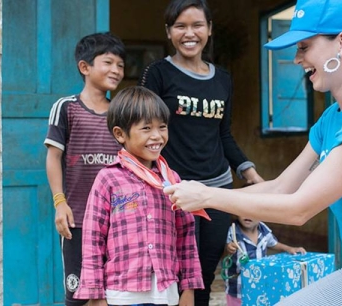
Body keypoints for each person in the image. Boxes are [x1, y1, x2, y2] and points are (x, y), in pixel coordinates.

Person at [164, 0, 342, 304]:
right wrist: (193, 193)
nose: (297, 59)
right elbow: (281, 187)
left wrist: (207, 198)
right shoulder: (332, 118)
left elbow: (299, 209)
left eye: (304, 47)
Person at [138, 1, 264, 304]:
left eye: (197, 25)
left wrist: (250, 173)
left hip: (217, 188)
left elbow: (224, 134)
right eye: (180, 26)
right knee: (175, 275)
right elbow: (143, 129)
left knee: (205, 274)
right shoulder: (157, 73)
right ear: (169, 32)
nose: (189, 33)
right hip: (174, 190)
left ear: (209, 30)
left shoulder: (222, 79)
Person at [74, 86, 204, 306]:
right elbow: (92, 238)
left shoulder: (172, 180)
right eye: (146, 128)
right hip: (121, 293)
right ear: (120, 134)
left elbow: (186, 235)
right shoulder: (108, 179)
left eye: (162, 127)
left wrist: (189, 289)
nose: (157, 136)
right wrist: (96, 295)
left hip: (166, 293)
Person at [44, 32, 125, 306]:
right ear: (85, 67)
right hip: (76, 219)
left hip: (116, 220)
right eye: (109, 62)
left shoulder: (121, 114)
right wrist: (60, 203)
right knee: (78, 296)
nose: (116, 70)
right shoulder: (66, 108)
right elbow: (54, 157)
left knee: (111, 294)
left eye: (121, 65)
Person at [223, 217, 306, 306]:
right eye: (243, 210)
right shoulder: (232, 231)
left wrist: (289, 248)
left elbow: (273, 243)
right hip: (238, 287)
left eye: (253, 212)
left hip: (260, 283)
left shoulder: (263, 230)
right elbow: (223, 251)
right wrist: (228, 248)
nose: (247, 215)